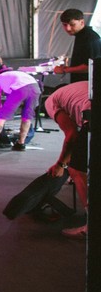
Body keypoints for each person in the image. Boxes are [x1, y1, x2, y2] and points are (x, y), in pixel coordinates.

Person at [44, 81, 90, 237]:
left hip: (94, 115)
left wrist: (61, 165)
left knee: (77, 170)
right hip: (92, 111)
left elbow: (72, 135)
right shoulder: (78, 89)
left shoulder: (51, 100)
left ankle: (92, 226)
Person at [0, 69, 41, 153]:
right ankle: (21, 144)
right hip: (35, 88)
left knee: (1, 118)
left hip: (20, 89)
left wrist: (1, 113)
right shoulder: (18, 74)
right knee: (27, 117)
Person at [53, 8, 101, 83]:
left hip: (88, 86)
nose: (68, 28)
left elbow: (90, 66)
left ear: (82, 22)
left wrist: (64, 69)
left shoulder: (90, 38)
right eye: (65, 25)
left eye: (72, 25)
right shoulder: (81, 36)